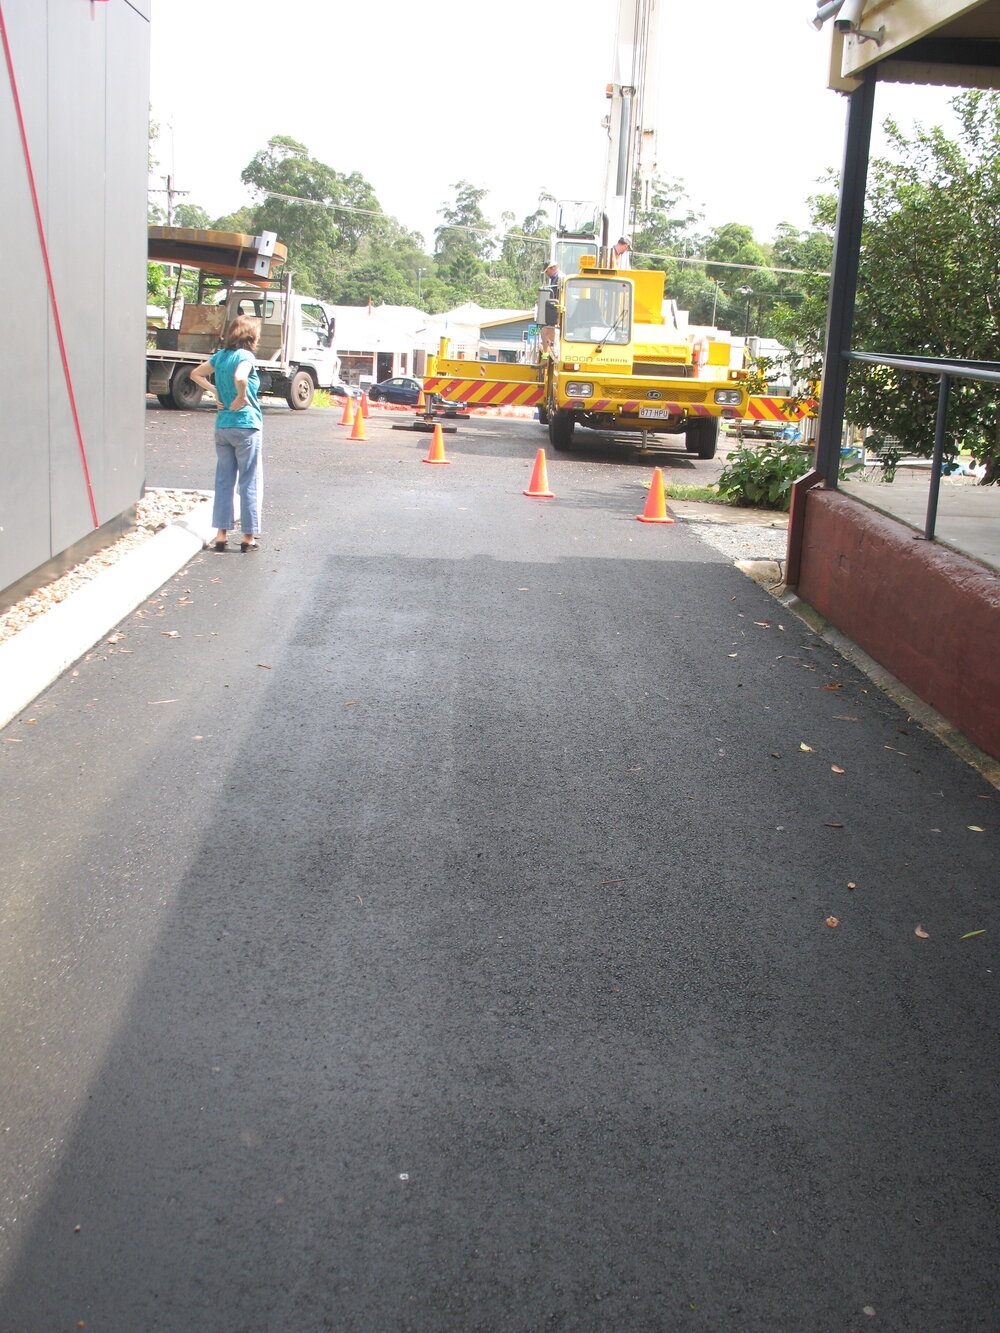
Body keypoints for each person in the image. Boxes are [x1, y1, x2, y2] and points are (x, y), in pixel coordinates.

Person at [190, 315, 263, 553]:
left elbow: (195, 374)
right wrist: (241, 396)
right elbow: (240, 376)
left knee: (224, 481)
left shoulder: (220, 356)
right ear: (251, 336)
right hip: (246, 425)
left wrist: (215, 391)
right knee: (249, 481)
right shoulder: (246, 357)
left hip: (222, 427)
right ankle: (248, 537)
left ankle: (221, 534)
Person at [539, 261, 563, 356]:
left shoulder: (560, 279)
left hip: (557, 312)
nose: (546, 274)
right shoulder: (555, 279)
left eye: (547, 271)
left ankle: (546, 355)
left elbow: (556, 297)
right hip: (555, 310)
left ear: (553, 268)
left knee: (544, 331)